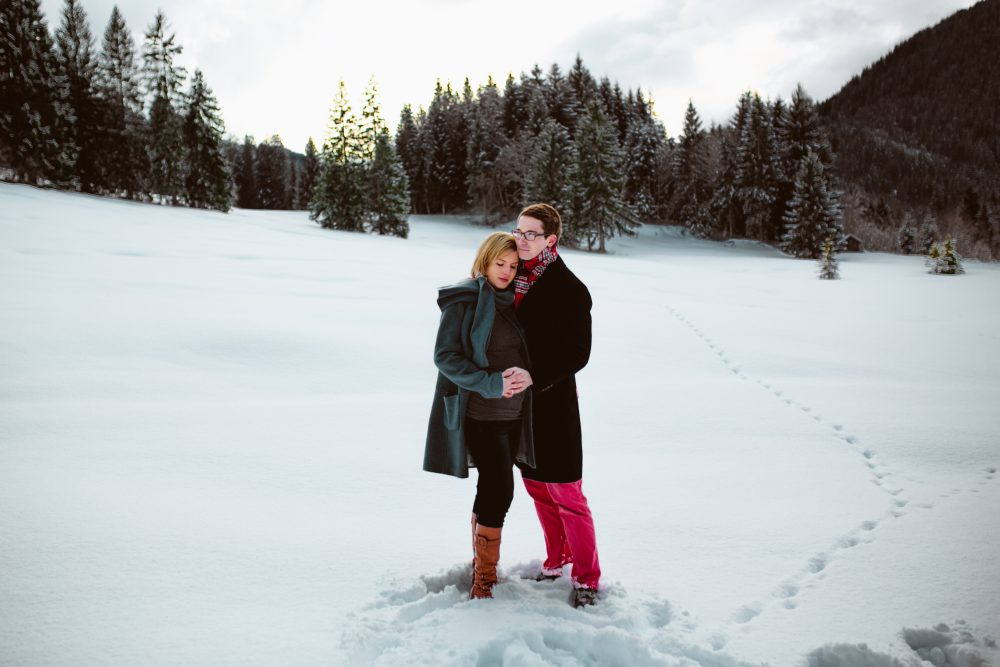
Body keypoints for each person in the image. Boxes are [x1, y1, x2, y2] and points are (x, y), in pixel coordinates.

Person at [424, 232, 535, 600]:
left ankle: (481, 562)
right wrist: (490, 384)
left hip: (517, 413)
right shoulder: (465, 299)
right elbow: (446, 356)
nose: (506, 271)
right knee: (501, 488)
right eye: (499, 263)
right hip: (482, 413)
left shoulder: (517, 301)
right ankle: (484, 579)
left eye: (513, 265)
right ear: (485, 261)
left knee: (493, 488)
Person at [508, 203, 602, 608]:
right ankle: (556, 558)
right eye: (518, 231)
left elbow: (578, 353)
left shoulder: (570, 288)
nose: (521, 240)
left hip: (554, 401)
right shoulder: (513, 278)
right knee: (536, 486)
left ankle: (586, 578)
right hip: (518, 405)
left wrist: (537, 374)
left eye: (531, 234)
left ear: (551, 240)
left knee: (566, 491)